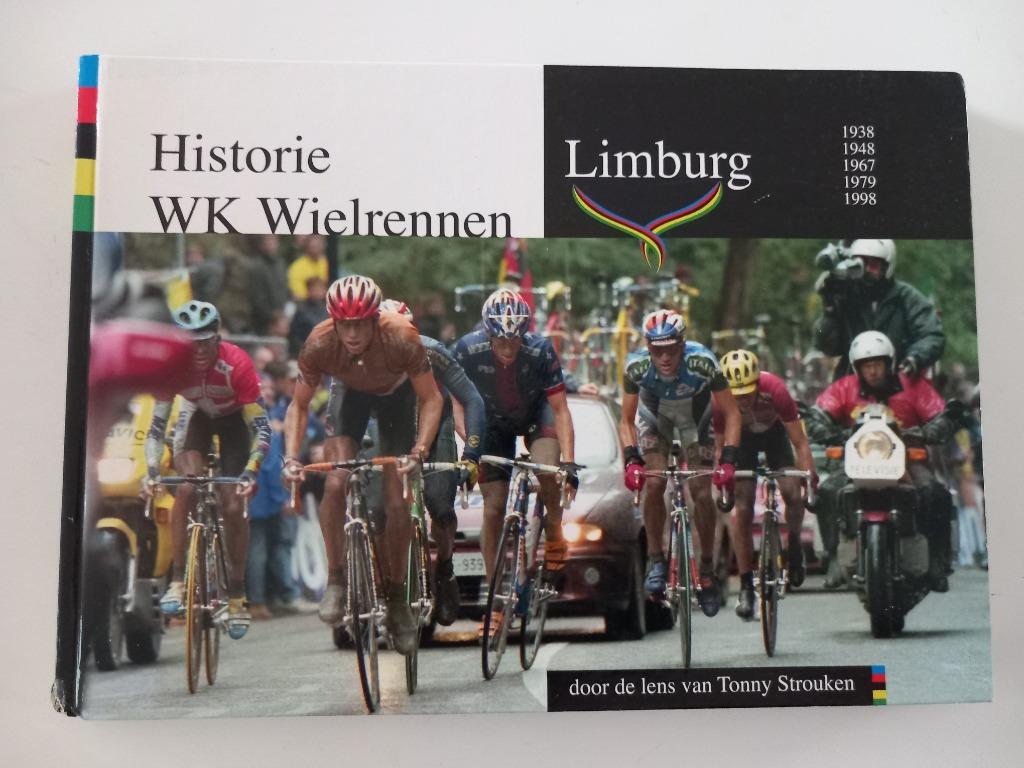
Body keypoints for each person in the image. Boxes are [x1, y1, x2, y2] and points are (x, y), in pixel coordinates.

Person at [282, 275, 443, 655]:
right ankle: (336, 580)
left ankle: (397, 598)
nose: (352, 334)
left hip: (396, 399)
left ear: (375, 320)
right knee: (336, 480)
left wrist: (419, 451)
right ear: (334, 323)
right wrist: (290, 457)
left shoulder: (402, 336)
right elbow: (298, 406)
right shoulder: (320, 341)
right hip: (349, 395)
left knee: (395, 498)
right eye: (344, 325)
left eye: (359, 324)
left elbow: (432, 399)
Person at [143, 300, 271, 639]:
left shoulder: (237, 364)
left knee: (233, 504)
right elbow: (156, 428)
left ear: (218, 339)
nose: (198, 350)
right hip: (196, 417)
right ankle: (177, 581)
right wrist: (151, 469)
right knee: (187, 486)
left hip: (234, 423)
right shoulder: (172, 366)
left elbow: (261, 429)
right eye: (191, 343)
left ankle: (237, 594)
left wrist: (250, 471)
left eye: (205, 342)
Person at [453, 289, 578, 634]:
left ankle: (554, 531)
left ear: (525, 334)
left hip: (536, 415)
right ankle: (495, 599)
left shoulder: (541, 350)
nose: (508, 349)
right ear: (487, 334)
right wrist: (472, 446)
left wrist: (568, 463)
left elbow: (560, 410)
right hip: (490, 422)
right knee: (493, 508)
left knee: (547, 470)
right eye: (501, 342)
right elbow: (457, 405)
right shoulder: (466, 349)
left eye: (515, 341)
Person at [804, 330, 964, 591]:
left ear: (889, 363)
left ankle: (936, 560)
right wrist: (821, 427)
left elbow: (939, 413)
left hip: (908, 461)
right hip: (858, 460)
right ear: (857, 367)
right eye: (866, 365)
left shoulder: (912, 385)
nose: (873, 371)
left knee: (934, 494)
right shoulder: (844, 387)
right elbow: (819, 413)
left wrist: (934, 428)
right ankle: (833, 558)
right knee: (829, 491)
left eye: (877, 364)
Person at [618, 309, 741, 617]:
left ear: (683, 346)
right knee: (654, 482)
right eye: (657, 350)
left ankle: (707, 569)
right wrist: (632, 459)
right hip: (655, 419)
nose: (664, 358)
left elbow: (732, 413)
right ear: (648, 347)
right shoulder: (635, 366)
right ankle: (656, 560)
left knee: (701, 492)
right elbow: (626, 420)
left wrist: (728, 459)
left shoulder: (703, 362)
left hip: (694, 421)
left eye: (671, 350)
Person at [375, 299, 486, 626]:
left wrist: (472, 455)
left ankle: (445, 568)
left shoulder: (433, 351)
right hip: (390, 431)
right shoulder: (364, 358)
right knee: (378, 509)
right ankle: (386, 583)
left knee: (440, 505)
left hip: (435, 430)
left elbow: (472, 399)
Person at [714, 350, 817, 619]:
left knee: (791, 492)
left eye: (747, 394)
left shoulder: (776, 390)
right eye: (737, 396)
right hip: (742, 440)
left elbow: (800, 442)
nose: (743, 401)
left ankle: (794, 543)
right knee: (743, 507)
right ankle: (746, 586)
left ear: (758, 384)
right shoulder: (718, 401)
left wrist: (809, 478)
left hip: (775, 435)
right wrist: (724, 484)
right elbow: (720, 448)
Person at [813, 239, 945, 379]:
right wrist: (829, 310)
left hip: (900, 379)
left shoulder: (906, 297)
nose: (867, 270)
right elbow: (824, 346)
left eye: (874, 265)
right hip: (852, 381)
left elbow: (932, 335)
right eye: (862, 263)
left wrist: (915, 358)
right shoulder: (846, 297)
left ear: (887, 266)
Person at [287, 234, 330, 301]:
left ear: (323, 245)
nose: (315, 247)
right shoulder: (296, 267)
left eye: (318, 244)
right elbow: (298, 295)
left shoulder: (328, 263)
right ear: (306, 246)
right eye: (313, 246)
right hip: (306, 305)